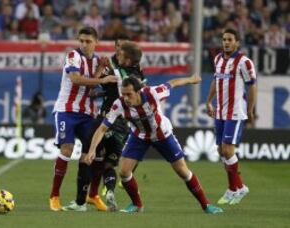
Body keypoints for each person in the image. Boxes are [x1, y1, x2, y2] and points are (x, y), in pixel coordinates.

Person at [85, 75, 223, 214]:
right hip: (139, 136)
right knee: (124, 172)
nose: (126, 98)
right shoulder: (119, 104)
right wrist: (92, 150)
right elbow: (103, 128)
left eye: (129, 94)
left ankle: (206, 205)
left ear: (138, 91)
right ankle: (137, 205)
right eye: (123, 94)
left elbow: (171, 83)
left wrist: (190, 79)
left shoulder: (152, 93)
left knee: (183, 172)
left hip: (162, 134)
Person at [49, 26, 117, 212]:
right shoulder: (73, 56)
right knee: (67, 149)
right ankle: (55, 195)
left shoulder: (98, 61)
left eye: (88, 41)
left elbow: (93, 89)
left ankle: (92, 195)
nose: (84, 44)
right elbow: (76, 79)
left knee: (96, 152)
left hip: (87, 113)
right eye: (82, 40)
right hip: (66, 111)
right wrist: (102, 79)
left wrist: (104, 69)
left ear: (96, 42)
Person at [87, 38, 145, 211]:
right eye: (117, 49)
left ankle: (86, 197)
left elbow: (98, 82)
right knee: (110, 162)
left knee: (93, 158)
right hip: (126, 124)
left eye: (120, 51)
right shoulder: (139, 75)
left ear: (127, 58)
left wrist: (101, 70)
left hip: (109, 117)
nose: (117, 53)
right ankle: (108, 191)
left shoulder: (118, 72)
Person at [206, 28, 256, 205]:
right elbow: (215, 80)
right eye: (224, 39)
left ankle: (240, 187)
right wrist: (208, 101)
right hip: (220, 111)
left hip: (235, 112)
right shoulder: (218, 59)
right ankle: (233, 188)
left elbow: (252, 86)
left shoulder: (244, 62)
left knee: (228, 150)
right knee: (221, 151)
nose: (226, 42)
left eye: (230, 39)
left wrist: (250, 110)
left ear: (237, 43)